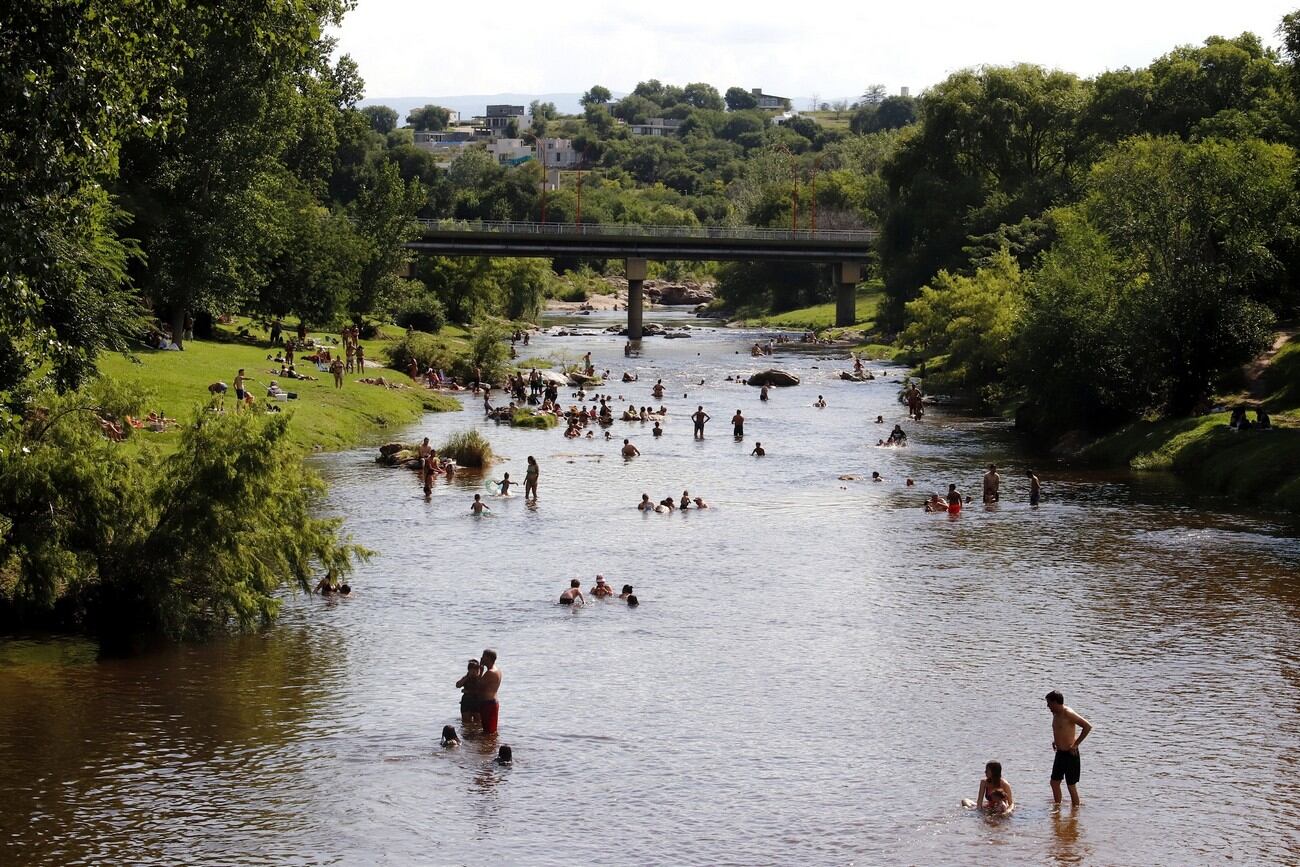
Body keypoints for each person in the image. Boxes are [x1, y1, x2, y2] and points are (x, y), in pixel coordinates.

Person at [1046, 690, 1092, 806]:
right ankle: (1057, 808)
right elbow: (1061, 729)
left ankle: (1075, 811)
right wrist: (1056, 741)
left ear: (1056, 702)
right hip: (1060, 753)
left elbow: (1087, 726)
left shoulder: (1068, 713)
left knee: (1071, 785)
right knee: (1054, 782)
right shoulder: (1055, 714)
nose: (1048, 706)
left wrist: (1076, 744)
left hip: (1071, 754)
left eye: (1049, 703)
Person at [478, 650, 502, 734]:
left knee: (489, 731)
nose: (481, 658)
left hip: (489, 704)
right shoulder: (496, 670)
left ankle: (490, 746)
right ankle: (489, 746)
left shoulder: (490, 672)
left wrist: (480, 670)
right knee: (489, 730)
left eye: (483, 656)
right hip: (490, 703)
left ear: (488, 658)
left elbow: (478, 684)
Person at [456, 659, 481, 727]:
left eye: (476, 670)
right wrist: (466, 678)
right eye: (472, 670)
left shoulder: (480, 678)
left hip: (477, 701)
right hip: (466, 701)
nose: (474, 672)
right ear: (469, 670)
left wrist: (468, 691)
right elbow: (458, 685)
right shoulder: (466, 678)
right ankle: (467, 734)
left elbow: (482, 690)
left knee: (478, 722)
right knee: (466, 722)